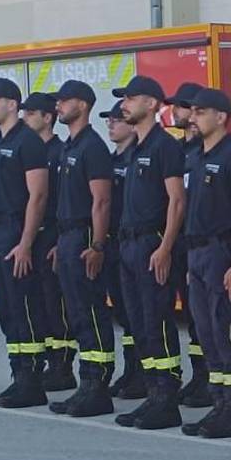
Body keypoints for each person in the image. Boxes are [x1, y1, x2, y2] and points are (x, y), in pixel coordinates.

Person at [178, 87, 231, 439]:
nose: (193, 117)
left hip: (221, 251)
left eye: (200, 111)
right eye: (192, 111)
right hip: (196, 252)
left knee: (225, 326)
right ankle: (219, 402)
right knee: (207, 331)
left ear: (221, 117)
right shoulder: (195, 156)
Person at [111, 75, 188, 430]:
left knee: (157, 321)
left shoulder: (164, 146)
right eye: (124, 98)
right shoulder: (135, 148)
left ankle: (166, 400)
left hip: (150, 243)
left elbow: (176, 200)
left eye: (133, 98)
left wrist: (165, 246)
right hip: (128, 244)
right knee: (139, 323)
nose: (125, 104)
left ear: (154, 104)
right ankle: (151, 393)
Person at [0, 77, 50, 409]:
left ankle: (32, 381)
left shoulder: (27, 142)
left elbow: (38, 195)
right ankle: (17, 374)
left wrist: (25, 243)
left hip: (16, 232)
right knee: (6, 309)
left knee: (25, 308)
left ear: (11, 104)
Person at [45, 80, 118, 417]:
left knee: (90, 312)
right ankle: (84, 383)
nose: (58, 105)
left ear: (83, 104)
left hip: (86, 237)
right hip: (67, 235)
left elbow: (101, 200)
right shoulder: (66, 148)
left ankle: (97, 386)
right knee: (76, 314)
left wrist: (98, 245)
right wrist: (60, 243)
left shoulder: (92, 147)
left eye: (65, 100)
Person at [22, 91, 76, 392]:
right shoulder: (26, 150)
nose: (26, 118)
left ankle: (63, 366)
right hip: (32, 236)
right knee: (38, 304)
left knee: (57, 305)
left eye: (31, 113)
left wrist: (58, 240)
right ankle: (45, 361)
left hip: (53, 237)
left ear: (47, 117)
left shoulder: (59, 151)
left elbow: (60, 201)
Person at [170, 82, 214, 408]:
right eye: (178, 106)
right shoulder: (178, 153)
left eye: (185, 107)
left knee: (208, 319)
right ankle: (199, 375)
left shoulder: (205, 153)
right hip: (181, 244)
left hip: (205, 245)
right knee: (191, 314)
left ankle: (210, 379)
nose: (179, 111)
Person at [101, 99, 146, 401]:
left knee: (140, 313)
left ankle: (143, 372)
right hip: (114, 242)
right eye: (109, 120)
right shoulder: (110, 159)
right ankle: (131, 369)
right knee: (125, 313)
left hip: (133, 242)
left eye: (116, 119)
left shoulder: (136, 157)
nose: (111, 124)